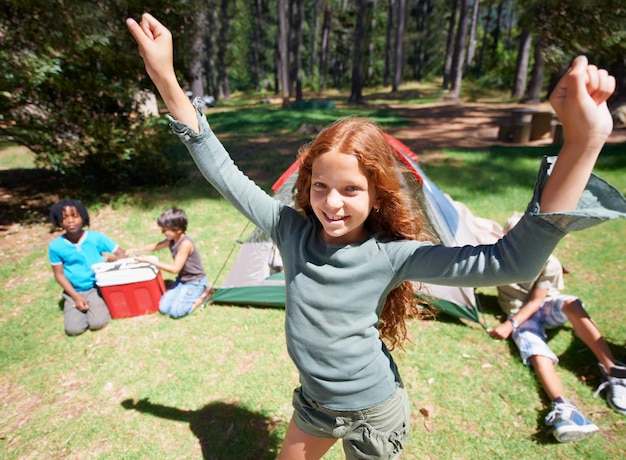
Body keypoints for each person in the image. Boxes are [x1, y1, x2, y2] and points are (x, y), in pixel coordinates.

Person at [127, 13, 624, 459]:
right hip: (315, 406)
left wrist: (583, 143)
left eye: (350, 189)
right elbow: (223, 170)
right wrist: (166, 78)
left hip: (373, 414)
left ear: (377, 195)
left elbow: (508, 264)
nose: (332, 202)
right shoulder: (289, 230)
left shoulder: (392, 255)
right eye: (320, 186)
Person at [489, 214, 626, 443]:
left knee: (572, 303)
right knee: (535, 348)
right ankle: (564, 407)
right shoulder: (498, 256)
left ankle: (613, 370)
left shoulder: (550, 263)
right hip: (520, 315)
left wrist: (510, 324)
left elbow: (535, 302)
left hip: (540, 307)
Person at [48, 199, 126, 336]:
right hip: (74, 290)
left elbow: (121, 253)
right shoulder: (55, 246)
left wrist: (113, 262)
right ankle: (75, 304)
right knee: (73, 330)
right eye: (64, 218)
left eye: (75, 216)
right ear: (58, 221)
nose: (70, 221)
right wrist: (75, 296)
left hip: (96, 287)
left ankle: (100, 303)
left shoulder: (96, 238)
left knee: (97, 323)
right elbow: (59, 274)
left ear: (83, 217)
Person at [127, 207, 208, 318]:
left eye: (165, 230)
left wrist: (150, 261)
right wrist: (136, 250)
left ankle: (205, 294)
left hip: (194, 281)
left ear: (178, 230)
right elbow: (157, 246)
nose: (162, 232)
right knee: (164, 309)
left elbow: (175, 269)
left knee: (177, 312)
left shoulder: (185, 244)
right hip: (182, 280)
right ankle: (183, 292)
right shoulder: (173, 239)